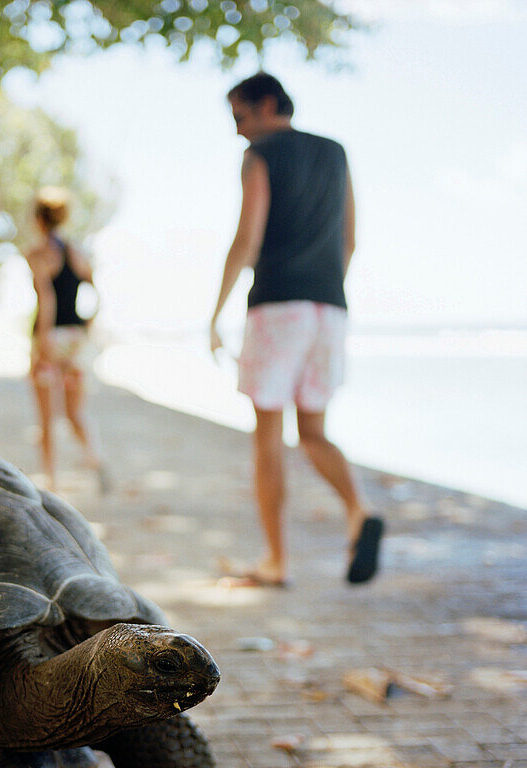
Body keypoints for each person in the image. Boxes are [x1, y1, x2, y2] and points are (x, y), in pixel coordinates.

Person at [210, 72, 383, 586]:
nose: (239, 131)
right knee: (313, 432)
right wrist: (324, 289)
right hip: (329, 308)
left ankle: (275, 561)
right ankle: (358, 510)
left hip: (276, 307)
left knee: (268, 436)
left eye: (240, 117)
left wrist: (215, 312)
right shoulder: (335, 152)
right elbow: (350, 239)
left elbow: (247, 238)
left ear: (266, 105)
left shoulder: (259, 156)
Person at [25, 186, 105, 493]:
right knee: (75, 412)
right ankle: (94, 454)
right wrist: (88, 325)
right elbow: (95, 293)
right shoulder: (77, 252)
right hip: (76, 339)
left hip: (51, 337)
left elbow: (46, 297)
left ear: (38, 219)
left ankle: (51, 482)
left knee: (47, 417)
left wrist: (43, 340)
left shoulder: (38, 253)